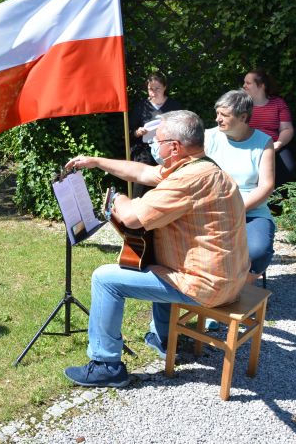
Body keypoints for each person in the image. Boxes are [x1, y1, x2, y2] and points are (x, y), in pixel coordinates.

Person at [61, 110, 249, 387]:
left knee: (105, 279)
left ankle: (106, 364)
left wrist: (119, 199)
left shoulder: (187, 180)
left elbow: (132, 217)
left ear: (174, 147)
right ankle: (163, 337)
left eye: (157, 141)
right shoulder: (203, 167)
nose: (153, 146)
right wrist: (97, 162)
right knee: (156, 262)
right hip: (230, 277)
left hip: (208, 285)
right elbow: (143, 171)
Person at [205, 90, 275, 281]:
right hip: (211, 209)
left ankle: (242, 289)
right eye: (217, 113)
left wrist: (236, 208)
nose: (218, 119)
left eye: (224, 115)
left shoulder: (263, 142)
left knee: (258, 252)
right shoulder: (208, 137)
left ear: (243, 117)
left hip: (251, 211)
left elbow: (266, 186)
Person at [128, 72, 182, 197]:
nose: (153, 92)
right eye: (150, 89)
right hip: (144, 149)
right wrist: (138, 132)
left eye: (157, 88)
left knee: (167, 182)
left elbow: (182, 129)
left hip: (168, 150)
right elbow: (129, 133)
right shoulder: (141, 107)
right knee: (140, 180)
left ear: (164, 87)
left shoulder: (174, 106)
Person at [243, 69, 295, 188]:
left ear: (261, 85)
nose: (244, 86)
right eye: (244, 82)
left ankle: (277, 203)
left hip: (274, 145)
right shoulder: (243, 105)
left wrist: (277, 145)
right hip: (248, 146)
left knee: (288, 168)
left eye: (248, 83)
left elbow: (287, 129)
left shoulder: (278, 103)